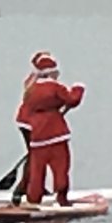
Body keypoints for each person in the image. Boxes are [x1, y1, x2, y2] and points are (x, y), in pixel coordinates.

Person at [16, 51, 85, 206]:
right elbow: (72, 100)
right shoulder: (55, 87)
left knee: (37, 168)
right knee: (60, 166)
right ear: (52, 71)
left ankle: (33, 198)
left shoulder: (30, 89)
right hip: (56, 134)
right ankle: (61, 197)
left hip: (37, 135)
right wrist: (78, 89)